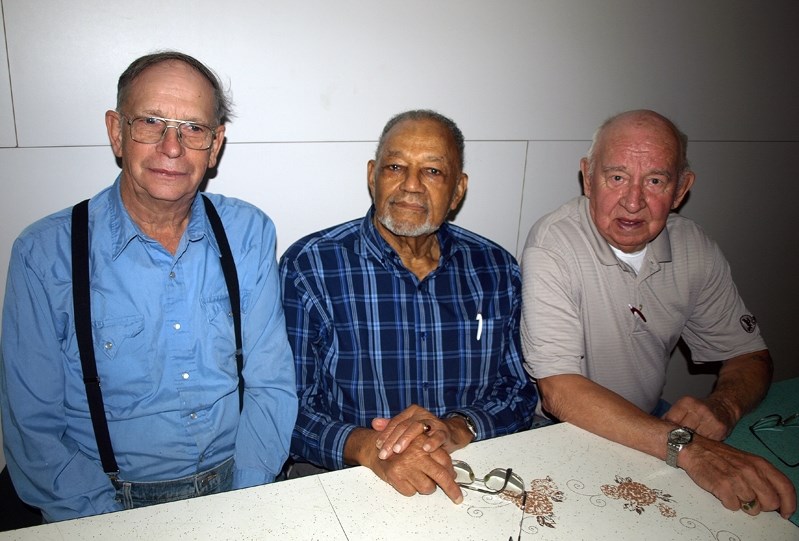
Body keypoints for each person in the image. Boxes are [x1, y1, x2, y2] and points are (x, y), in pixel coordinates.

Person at [0, 51, 297, 522]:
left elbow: (271, 385)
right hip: (106, 504)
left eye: (193, 128)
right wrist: (109, 525)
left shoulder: (248, 233)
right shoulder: (44, 253)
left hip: (241, 484)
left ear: (215, 145)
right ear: (117, 131)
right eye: (151, 122)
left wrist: (247, 501)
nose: (172, 147)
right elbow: (32, 430)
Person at [520, 109, 796, 519]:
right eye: (616, 177)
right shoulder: (553, 244)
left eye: (655, 181)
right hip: (557, 428)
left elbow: (751, 356)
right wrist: (687, 447)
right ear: (588, 177)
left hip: (653, 419)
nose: (633, 201)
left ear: (681, 188)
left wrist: (724, 406)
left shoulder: (694, 247)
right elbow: (558, 392)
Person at [280, 110, 536, 503]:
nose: (411, 185)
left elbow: (518, 389)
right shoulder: (312, 267)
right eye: (395, 167)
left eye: (432, 171)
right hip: (349, 479)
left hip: (472, 472)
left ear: (458, 190)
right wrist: (370, 447)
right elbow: (284, 406)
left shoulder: (495, 269)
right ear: (372, 176)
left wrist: (458, 427)